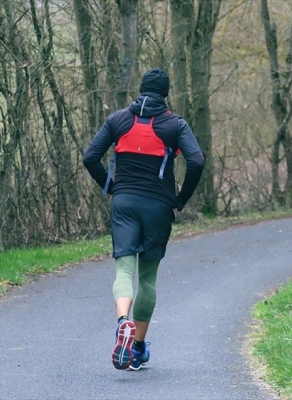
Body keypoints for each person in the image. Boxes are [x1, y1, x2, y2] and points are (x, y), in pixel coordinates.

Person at [82, 68, 205, 371]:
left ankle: (122, 321)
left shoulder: (119, 119)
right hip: (158, 207)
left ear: (140, 91)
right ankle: (137, 348)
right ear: (166, 95)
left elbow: (89, 156)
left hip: (123, 202)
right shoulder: (175, 124)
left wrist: (110, 187)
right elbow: (197, 160)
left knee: (124, 269)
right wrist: (181, 198)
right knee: (147, 278)